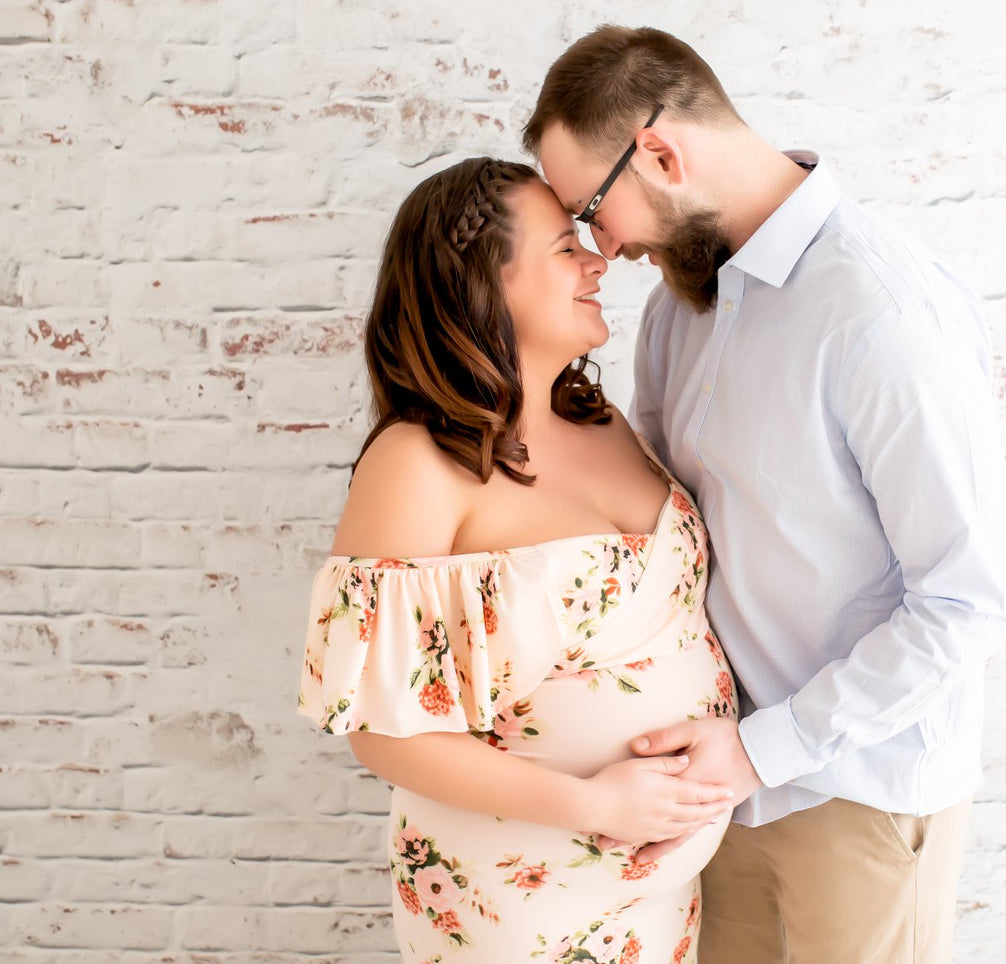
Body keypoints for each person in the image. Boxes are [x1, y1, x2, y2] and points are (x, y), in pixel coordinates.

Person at [522, 26, 1006, 964]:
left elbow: (967, 603)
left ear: (660, 154)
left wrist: (761, 750)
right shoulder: (679, 304)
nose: (601, 246)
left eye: (594, 208)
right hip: (715, 784)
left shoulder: (882, 313)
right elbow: (670, 535)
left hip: (857, 790)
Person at [296, 156, 743, 962]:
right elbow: (380, 732)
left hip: (662, 894)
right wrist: (592, 802)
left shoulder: (601, 420)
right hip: (510, 901)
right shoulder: (416, 462)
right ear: (484, 283)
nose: (597, 261)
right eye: (564, 247)